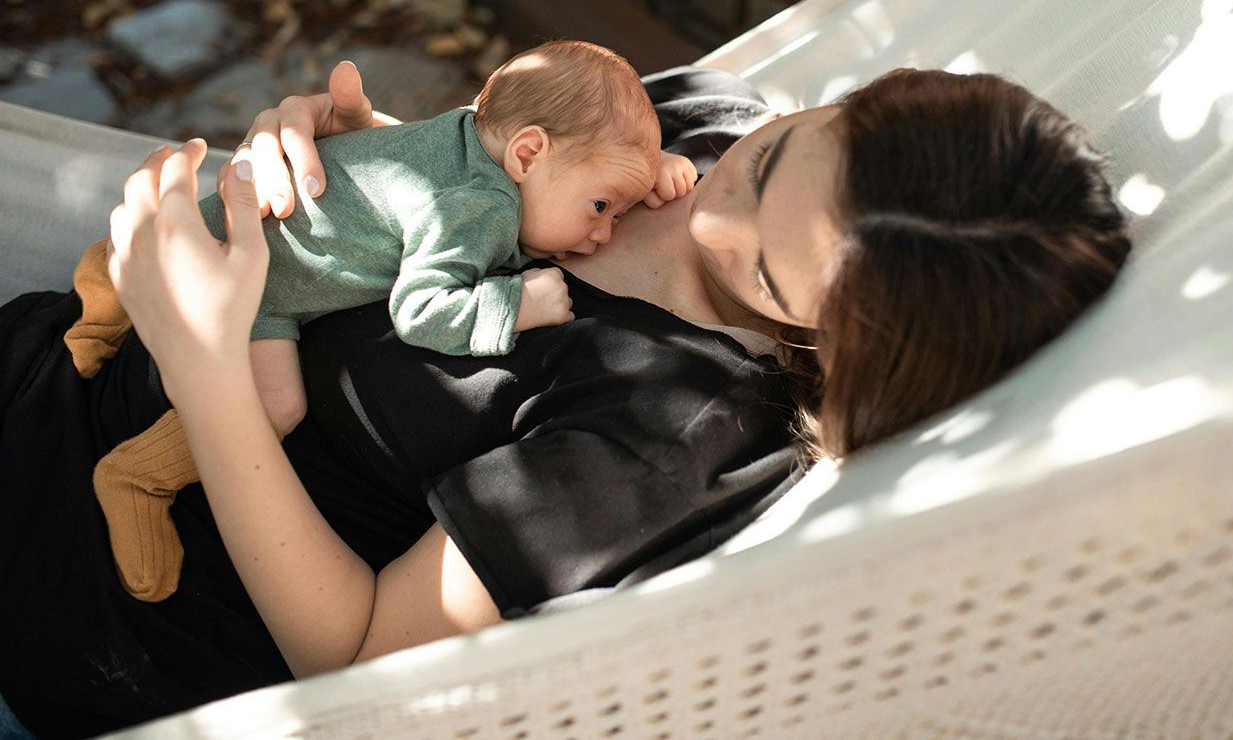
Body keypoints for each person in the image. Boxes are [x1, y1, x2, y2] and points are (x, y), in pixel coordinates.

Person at [0, 63, 1130, 738]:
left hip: (77, 610)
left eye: (768, 276)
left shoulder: (669, 428)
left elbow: (354, 660)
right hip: (53, 361)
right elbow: (465, 181)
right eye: (773, 158)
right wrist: (339, 152)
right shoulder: (697, 114)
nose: (706, 218)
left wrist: (209, 376)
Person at [64, 40, 699, 604]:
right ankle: (139, 479)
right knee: (278, 406)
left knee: (169, 256)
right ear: (527, 153)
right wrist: (517, 304)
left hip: (232, 232)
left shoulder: (464, 134)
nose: (604, 231)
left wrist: (646, 174)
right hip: (255, 286)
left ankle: (105, 279)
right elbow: (420, 312)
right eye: (602, 206)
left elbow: (579, 164)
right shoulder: (479, 208)